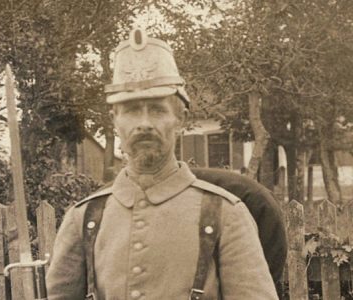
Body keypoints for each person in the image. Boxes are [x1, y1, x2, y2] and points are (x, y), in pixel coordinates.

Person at [47, 28, 279, 300]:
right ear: (114, 120)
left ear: (179, 118)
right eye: (132, 110)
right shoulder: (84, 218)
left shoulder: (225, 214)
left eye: (157, 109)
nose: (144, 123)